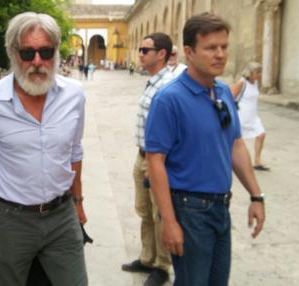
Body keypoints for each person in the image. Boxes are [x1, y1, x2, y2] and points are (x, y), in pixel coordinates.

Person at [144, 13, 265, 286]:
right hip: (189, 211)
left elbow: (235, 144)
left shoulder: (223, 92)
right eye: (211, 48)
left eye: (224, 47)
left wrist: (257, 196)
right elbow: (155, 161)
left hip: (220, 208)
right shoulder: (169, 99)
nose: (220, 54)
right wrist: (169, 221)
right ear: (188, 52)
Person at [0, 12, 87, 286]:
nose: (37, 62)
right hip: (11, 221)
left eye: (46, 52)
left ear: (56, 52)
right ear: (12, 53)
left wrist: (79, 203)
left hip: (62, 216)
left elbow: (75, 152)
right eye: (27, 53)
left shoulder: (74, 95)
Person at [121, 32, 174, 286]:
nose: (140, 54)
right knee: (144, 211)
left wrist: (155, 164)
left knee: (159, 213)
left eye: (145, 50)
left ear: (161, 54)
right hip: (142, 155)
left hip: (156, 159)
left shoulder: (168, 86)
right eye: (140, 49)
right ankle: (147, 257)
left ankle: (162, 266)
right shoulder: (153, 81)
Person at [230, 62, 269, 171]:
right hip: (241, 116)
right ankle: (231, 161)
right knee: (236, 141)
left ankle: (257, 161)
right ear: (251, 73)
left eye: (261, 72)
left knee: (261, 134)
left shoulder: (255, 83)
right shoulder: (242, 83)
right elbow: (230, 97)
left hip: (253, 117)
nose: (260, 75)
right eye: (258, 72)